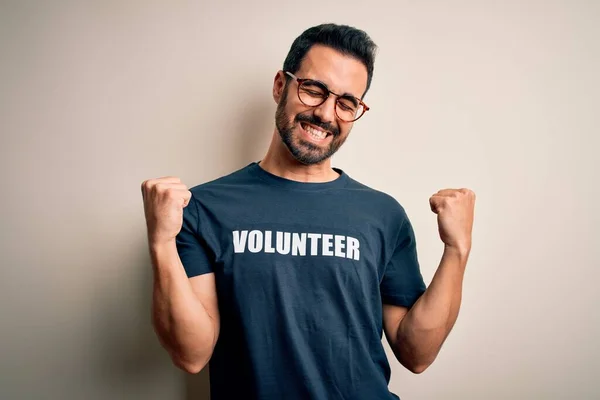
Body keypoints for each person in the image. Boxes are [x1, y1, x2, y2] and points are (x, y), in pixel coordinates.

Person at [141, 23, 475, 400]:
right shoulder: (204, 207)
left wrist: (456, 249)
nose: (326, 114)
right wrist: (161, 241)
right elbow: (192, 354)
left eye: (347, 103)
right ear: (281, 86)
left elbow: (417, 354)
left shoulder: (383, 215)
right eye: (314, 90)